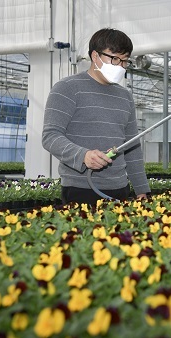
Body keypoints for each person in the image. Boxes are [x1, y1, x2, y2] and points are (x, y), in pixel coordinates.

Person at [42, 28, 150, 207]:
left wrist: (141, 189)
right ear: (95, 56)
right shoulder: (67, 88)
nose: (120, 66)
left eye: (125, 61)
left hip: (120, 188)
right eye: (115, 59)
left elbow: (132, 145)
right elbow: (50, 136)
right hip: (80, 190)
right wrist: (83, 155)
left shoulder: (125, 96)